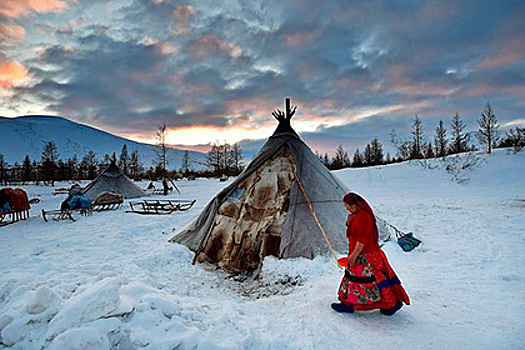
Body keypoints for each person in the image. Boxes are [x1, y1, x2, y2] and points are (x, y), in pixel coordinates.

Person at [331, 192, 410, 315]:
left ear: (355, 205)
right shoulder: (357, 215)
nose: (346, 209)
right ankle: (349, 304)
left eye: (347, 206)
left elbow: (363, 239)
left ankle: (391, 304)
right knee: (354, 279)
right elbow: (355, 234)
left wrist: (354, 255)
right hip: (358, 253)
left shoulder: (364, 217)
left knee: (371, 280)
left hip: (365, 255)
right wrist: (350, 222)